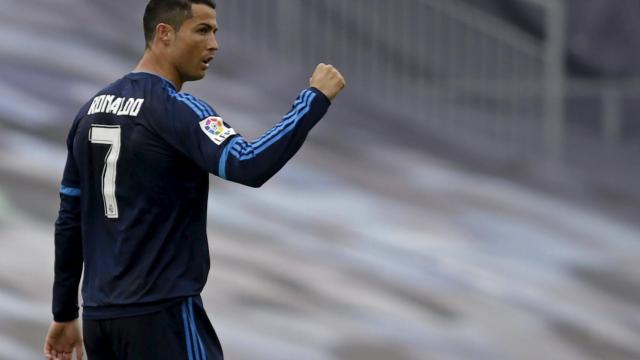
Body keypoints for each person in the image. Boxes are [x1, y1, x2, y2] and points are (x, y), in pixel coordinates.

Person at [42, 0, 345, 358]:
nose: (214, 44)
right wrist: (313, 99)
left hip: (101, 322)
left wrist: (64, 313)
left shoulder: (89, 112)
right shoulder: (175, 109)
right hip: (162, 318)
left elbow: (69, 220)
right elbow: (248, 164)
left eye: (215, 32)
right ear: (164, 34)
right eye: (202, 30)